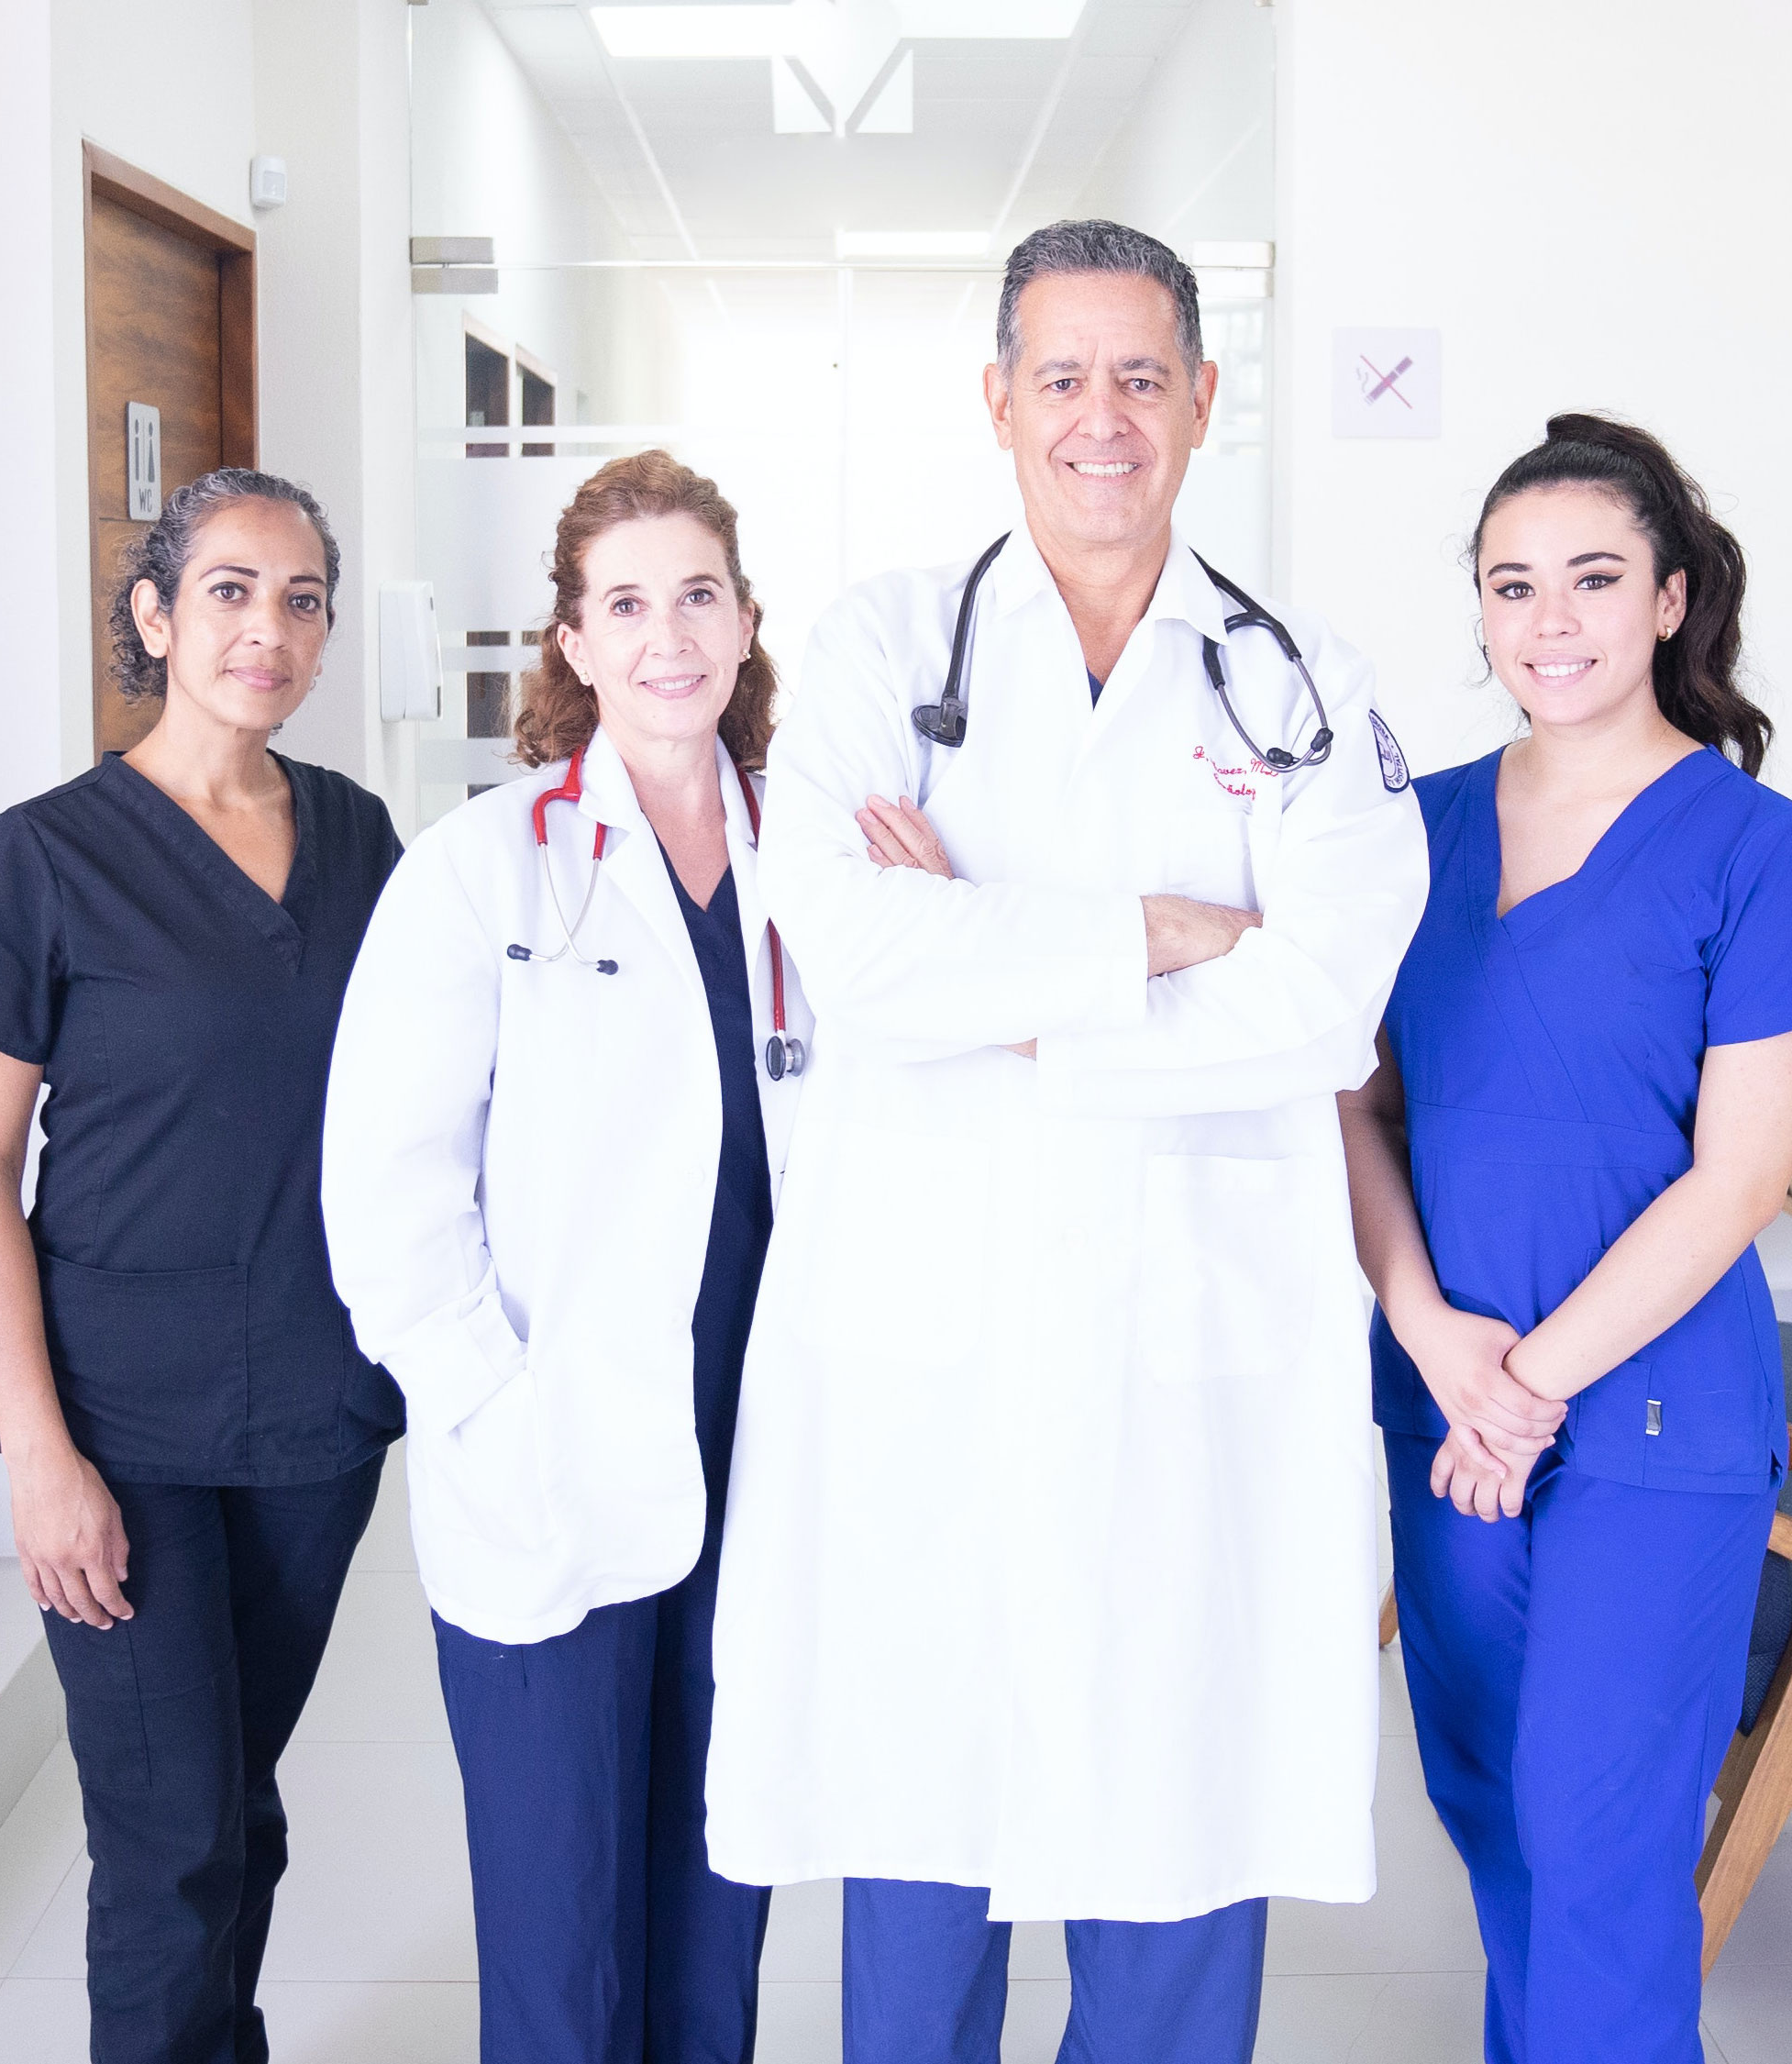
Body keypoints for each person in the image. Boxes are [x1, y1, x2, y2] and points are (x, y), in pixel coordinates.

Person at [702, 219, 1429, 2064]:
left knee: (1173, 1822)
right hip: (930, 1330)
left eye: (1138, 376)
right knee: (923, 1824)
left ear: (1200, 398)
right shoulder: (882, 641)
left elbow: (1328, 1007)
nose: (1099, 416)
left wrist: (1006, 986)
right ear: (995, 401)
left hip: (1193, 1336)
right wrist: (1170, 935)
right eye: (1059, 376)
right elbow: (853, 954)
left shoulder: (1299, 683)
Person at [321, 450, 810, 2064]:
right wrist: (494, 1413)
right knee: (559, 1935)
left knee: (715, 1900)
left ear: (743, 623)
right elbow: (387, 1201)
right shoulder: (485, 865)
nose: (667, 636)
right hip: (551, 1459)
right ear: (573, 645)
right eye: (625, 603)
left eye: (696, 595)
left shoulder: (814, 864)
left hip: (758, 1445)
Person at [1338, 415, 1792, 2064]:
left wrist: (1522, 1381)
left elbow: (1742, 1178)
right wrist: (1432, 1338)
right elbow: (1357, 1114)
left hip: (1652, 1418)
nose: (1552, 620)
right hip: (1446, 1402)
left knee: (1599, 1840)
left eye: (1594, 578)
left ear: (1671, 598)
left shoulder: (1755, 850)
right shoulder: (1411, 831)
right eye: (1512, 584)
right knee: (1493, 1810)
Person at [0, 470, 404, 2064]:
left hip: (315, 1418)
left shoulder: (358, 833)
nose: (265, 629)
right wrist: (35, 1452)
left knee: (239, 1804)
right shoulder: (46, 857)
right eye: (226, 590)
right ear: (153, 617)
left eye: (300, 598)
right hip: (120, 1429)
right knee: (172, 1841)